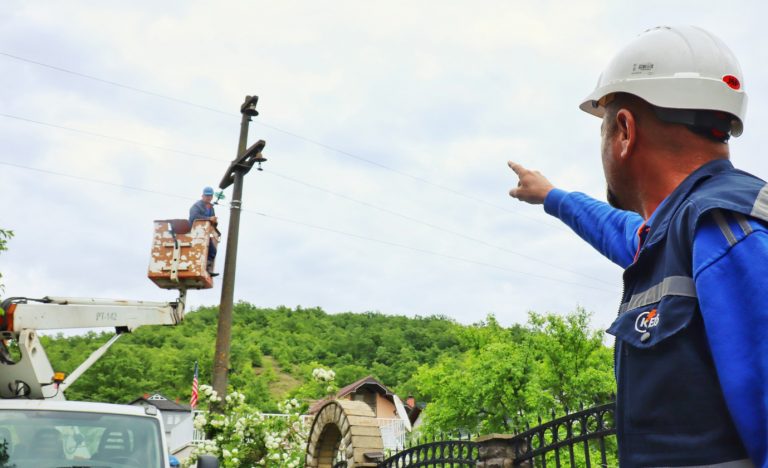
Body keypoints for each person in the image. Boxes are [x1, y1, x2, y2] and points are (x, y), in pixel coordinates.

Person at [508, 26, 767, 467]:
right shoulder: (675, 233)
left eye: (604, 128)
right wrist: (551, 195)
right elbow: (619, 228)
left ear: (624, 131)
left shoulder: (728, 233)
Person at [189, 186, 219, 276]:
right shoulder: (197, 205)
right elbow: (194, 217)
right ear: (202, 196)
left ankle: (207, 269)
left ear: (212, 197)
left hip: (205, 234)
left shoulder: (211, 208)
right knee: (199, 250)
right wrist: (209, 218)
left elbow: (212, 222)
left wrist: (214, 222)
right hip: (195, 232)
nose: (208, 197)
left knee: (212, 251)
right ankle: (197, 267)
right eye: (206, 195)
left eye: (210, 196)